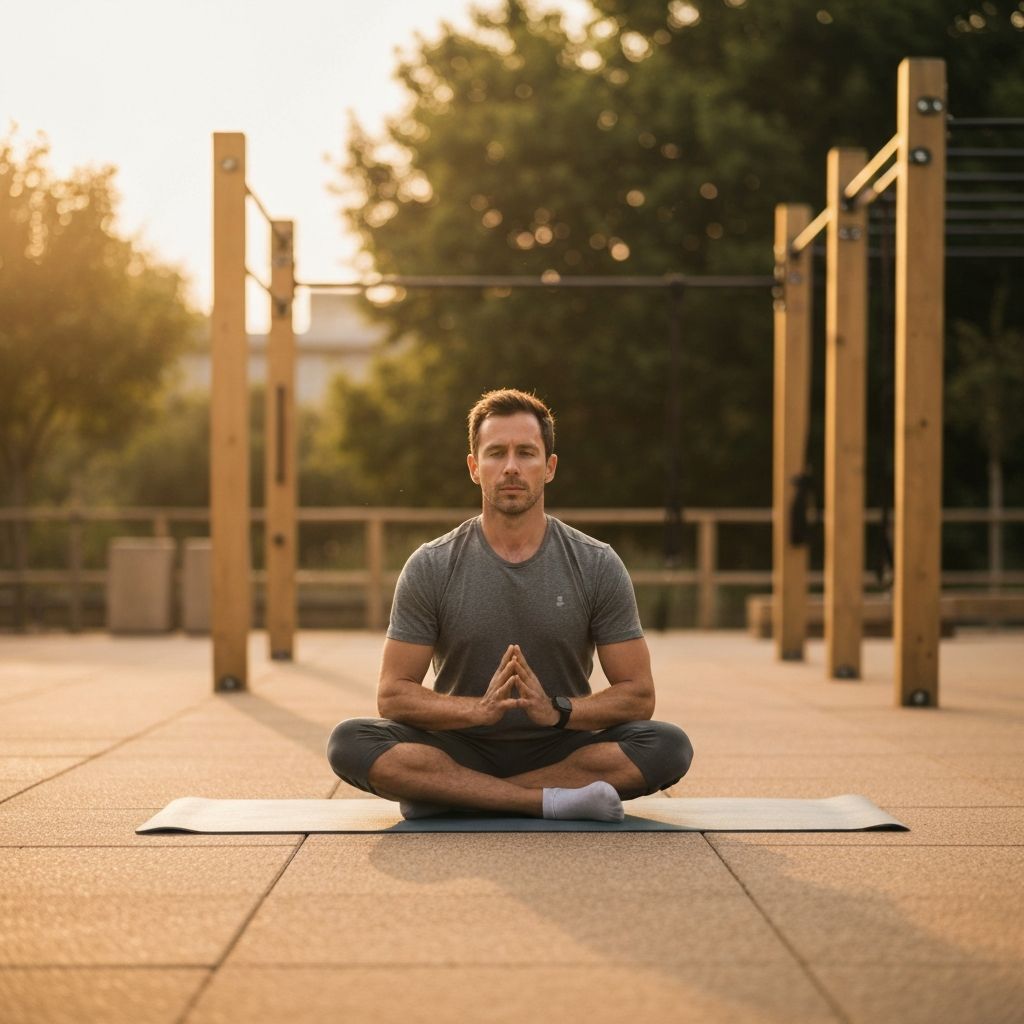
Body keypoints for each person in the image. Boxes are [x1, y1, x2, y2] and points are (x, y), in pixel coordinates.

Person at [327, 388, 693, 821]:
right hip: (458, 746)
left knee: (668, 745)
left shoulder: (596, 563)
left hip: (562, 748)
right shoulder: (431, 564)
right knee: (349, 741)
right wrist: (476, 711)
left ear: (549, 467)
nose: (512, 467)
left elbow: (638, 694)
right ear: (474, 468)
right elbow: (393, 694)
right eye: (497, 453)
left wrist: (557, 710)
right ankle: (550, 801)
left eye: (526, 453)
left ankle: (451, 794)